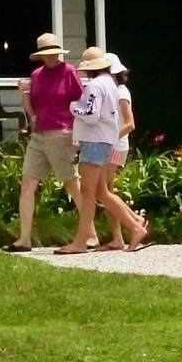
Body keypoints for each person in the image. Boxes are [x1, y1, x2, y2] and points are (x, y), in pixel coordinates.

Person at [59, 46, 148, 254]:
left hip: (94, 141)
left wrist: (72, 107)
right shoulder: (110, 83)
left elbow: (91, 114)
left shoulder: (95, 86)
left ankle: (81, 242)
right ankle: (135, 226)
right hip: (105, 141)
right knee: (101, 192)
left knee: (88, 193)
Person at [13, 32, 84, 250]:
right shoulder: (36, 75)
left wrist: (77, 133)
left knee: (71, 183)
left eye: (54, 53)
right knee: (28, 183)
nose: (51, 57)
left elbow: (80, 103)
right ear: (41, 55)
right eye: (47, 54)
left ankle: (89, 234)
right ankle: (24, 239)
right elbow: (33, 107)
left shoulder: (69, 72)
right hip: (39, 134)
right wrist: (25, 98)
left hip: (62, 132)